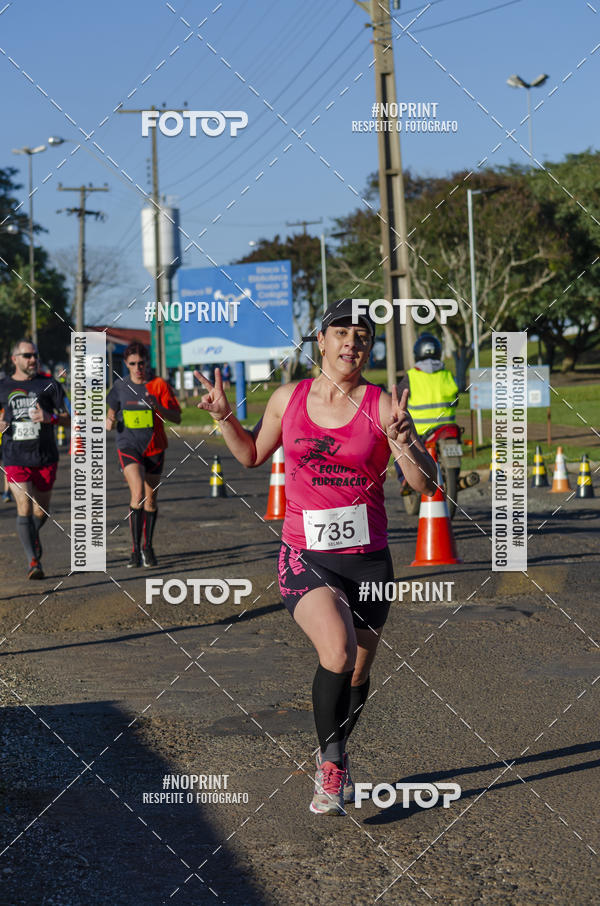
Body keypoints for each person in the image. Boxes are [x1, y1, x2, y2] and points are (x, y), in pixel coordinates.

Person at [194, 299, 436, 816]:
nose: (352, 342)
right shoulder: (290, 397)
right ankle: (330, 767)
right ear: (320, 341)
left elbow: (423, 484)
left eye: (363, 336)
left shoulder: (382, 406)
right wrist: (223, 418)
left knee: (357, 673)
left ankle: (339, 751)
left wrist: (406, 440)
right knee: (337, 653)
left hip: (369, 560)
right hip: (306, 555)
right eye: (342, 333)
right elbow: (252, 455)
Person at [105, 342, 181, 568]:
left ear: (147, 363)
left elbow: (177, 417)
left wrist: (158, 406)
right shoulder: (119, 386)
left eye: (141, 363)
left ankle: (148, 547)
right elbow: (110, 414)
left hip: (155, 448)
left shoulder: (159, 385)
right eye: (132, 364)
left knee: (151, 501)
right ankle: (134, 550)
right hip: (128, 446)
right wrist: (109, 421)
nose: (138, 367)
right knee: (137, 494)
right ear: (126, 364)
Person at [0, 339, 70, 579]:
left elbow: (71, 418)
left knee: (42, 512)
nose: (33, 359)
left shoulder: (50, 384)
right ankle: (33, 562)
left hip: (45, 456)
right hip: (14, 456)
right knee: (24, 506)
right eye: (27, 355)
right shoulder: (2, 386)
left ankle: (32, 536)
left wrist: (50, 418)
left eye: (35, 355)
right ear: (15, 359)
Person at [395, 332, 459, 486]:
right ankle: (454, 479)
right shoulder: (448, 375)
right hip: (447, 428)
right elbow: (456, 400)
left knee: (398, 444)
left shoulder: (411, 377)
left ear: (417, 353)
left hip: (420, 432)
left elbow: (397, 400)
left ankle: (404, 479)